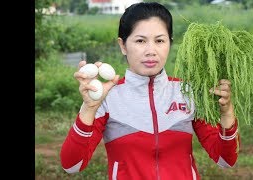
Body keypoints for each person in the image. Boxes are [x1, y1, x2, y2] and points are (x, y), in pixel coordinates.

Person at [60, 2, 240, 179]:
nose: (151, 51)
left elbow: (225, 160)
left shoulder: (187, 92)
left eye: (160, 40)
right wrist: (89, 108)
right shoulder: (108, 98)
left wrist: (227, 114)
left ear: (169, 43)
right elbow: (72, 165)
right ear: (123, 45)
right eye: (140, 41)